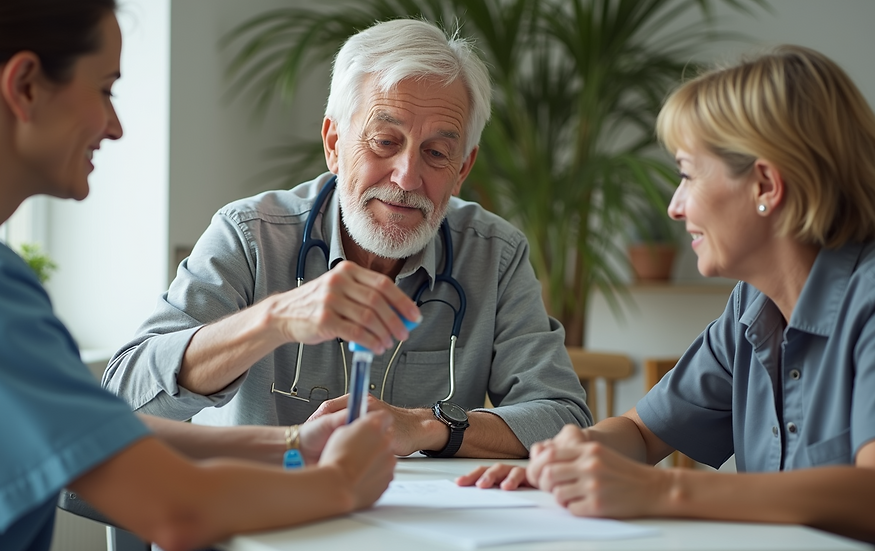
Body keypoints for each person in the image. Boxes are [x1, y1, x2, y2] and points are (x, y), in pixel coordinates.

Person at [0, 2, 397, 550]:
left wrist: (291, 442)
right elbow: (175, 511)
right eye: (105, 90)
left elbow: (92, 431)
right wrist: (339, 484)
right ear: (25, 85)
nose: (115, 127)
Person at [458, 45, 875, 545]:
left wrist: (663, 491)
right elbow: (643, 433)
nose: (674, 206)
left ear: (766, 186)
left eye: (687, 174)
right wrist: (567, 460)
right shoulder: (751, 308)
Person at [102, 18, 591, 459]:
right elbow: (124, 395)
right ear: (334, 144)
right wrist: (273, 320)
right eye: (385, 142)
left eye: (437, 153)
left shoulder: (495, 255)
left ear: (463, 169)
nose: (406, 177)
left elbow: (563, 418)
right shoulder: (250, 236)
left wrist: (428, 425)